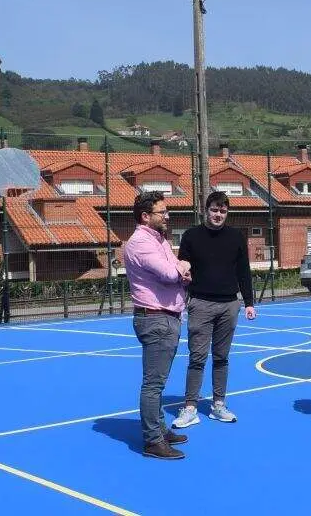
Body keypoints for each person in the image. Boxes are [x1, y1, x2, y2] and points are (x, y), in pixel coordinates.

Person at [173, 191, 257, 428]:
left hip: (229, 305)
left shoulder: (236, 237)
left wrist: (249, 302)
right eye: (214, 210)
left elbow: (244, 271)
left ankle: (219, 404)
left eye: (223, 211)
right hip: (200, 304)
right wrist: (180, 300)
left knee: (222, 357)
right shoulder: (191, 236)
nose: (218, 214)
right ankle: (190, 407)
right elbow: (182, 268)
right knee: (197, 357)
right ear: (206, 210)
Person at [124, 191, 192, 459]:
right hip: (155, 318)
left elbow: (177, 270)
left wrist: (180, 269)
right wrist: (183, 265)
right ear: (145, 216)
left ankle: (160, 430)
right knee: (153, 384)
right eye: (162, 212)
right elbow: (169, 272)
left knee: (158, 383)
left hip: (167, 317)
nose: (167, 216)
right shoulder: (140, 242)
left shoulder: (159, 239)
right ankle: (153, 441)